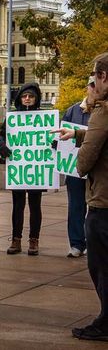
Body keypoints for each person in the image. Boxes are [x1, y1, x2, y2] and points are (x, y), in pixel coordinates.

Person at [57, 52, 108, 341]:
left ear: (102, 76)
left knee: (100, 266)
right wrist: (76, 134)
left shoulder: (103, 110)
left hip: (103, 202)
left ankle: (105, 322)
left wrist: (81, 146)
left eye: (95, 76)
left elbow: (84, 162)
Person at [0, 83, 45, 256]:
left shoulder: (43, 117)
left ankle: (34, 240)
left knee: (35, 205)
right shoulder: (13, 118)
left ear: (36, 99)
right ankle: (16, 240)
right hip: (18, 168)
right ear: (20, 99)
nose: (27, 99)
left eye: (31, 96)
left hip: (36, 168)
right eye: (24, 96)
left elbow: (55, 135)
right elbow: (0, 135)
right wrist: (0, 144)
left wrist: (54, 143)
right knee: (18, 205)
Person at [62, 79, 93, 258]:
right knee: (75, 206)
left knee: (95, 208)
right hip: (73, 168)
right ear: (88, 88)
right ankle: (76, 244)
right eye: (91, 85)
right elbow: (62, 135)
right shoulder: (72, 111)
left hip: (96, 170)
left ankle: (91, 242)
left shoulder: (103, 110)